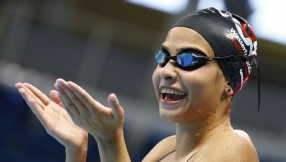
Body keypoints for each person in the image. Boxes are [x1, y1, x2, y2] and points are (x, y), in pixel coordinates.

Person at [15, 7, 259, 162]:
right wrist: (76, 150)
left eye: (189, 59)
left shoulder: (234, 148)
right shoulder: (166, 149)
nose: (166, 71)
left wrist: (110, 139)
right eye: (163, 57)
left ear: (229, 81)